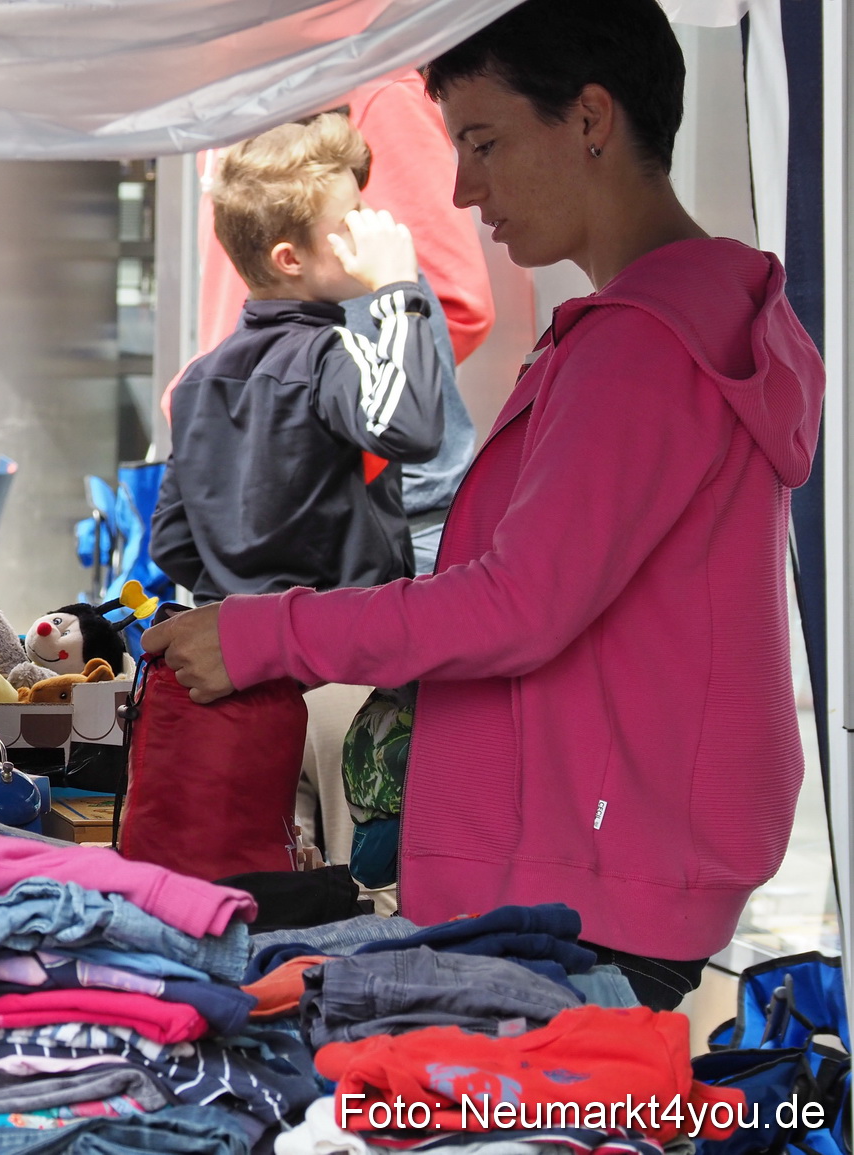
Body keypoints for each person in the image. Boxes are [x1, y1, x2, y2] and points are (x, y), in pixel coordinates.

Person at [144, 0, 823, 1012]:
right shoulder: (673, 322)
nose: (463, 188)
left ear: (590, 120)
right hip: (595, 868)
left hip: (585, 890)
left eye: (484, 142)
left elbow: (514, 605)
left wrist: (262, 634)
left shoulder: (643, 344)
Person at [150, 113, 446, 604]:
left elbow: (170, 537)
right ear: (290, 259)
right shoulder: (330, 353)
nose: (371, 226)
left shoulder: (197, 379)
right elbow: (409, 428)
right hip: (337, 646)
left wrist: (242, 592)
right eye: (352, 216)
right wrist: (398, 290)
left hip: (232, 644)